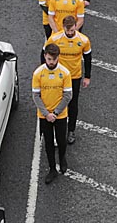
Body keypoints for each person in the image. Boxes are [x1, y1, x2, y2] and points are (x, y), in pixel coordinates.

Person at [45, 15, 92, 145]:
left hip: (74, 76)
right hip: (58, 77)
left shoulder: (83, 40)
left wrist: (87, 76)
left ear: (76, 26)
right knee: (56, 102)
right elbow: (44, 55)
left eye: (72, 30)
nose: (70, 33)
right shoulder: (55, 38)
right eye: (68, 30)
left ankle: (71, 130)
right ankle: (56, 130)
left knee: (73, 103)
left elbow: (88, 58)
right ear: (63, 27)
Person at [32, 43, 73, 184]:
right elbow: (36, 96)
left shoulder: (65, 73)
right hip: (44, 116)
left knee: (62, 141)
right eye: (49, 59)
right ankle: (52, 169)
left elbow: (68, 95)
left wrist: (55, 112)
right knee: (48, 143)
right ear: (45, 57)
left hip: (60, 115)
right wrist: (46, 113)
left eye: (54, 59)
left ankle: (62, 159)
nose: (51, 62)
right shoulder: (38, 73)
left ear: (58, 58)